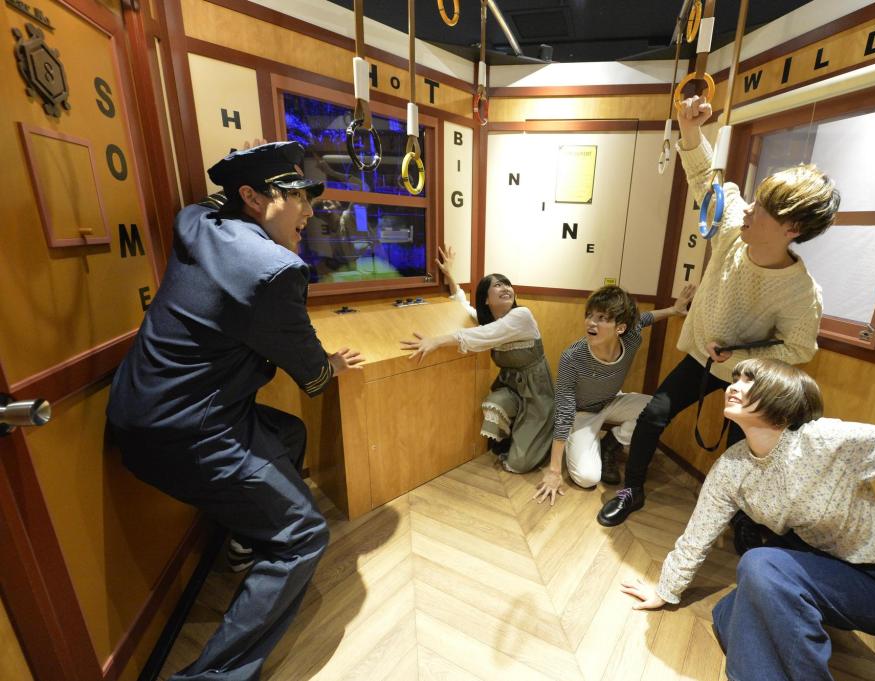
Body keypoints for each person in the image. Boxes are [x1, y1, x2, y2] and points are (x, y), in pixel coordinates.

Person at [106, 141, 364, 681]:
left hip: (140, 406)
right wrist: (331, 367)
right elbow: (312, 374)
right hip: (186, 431)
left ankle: (247, 540)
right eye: (296, 196)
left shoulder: (198, 221)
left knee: (287, 434)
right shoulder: (273, 271)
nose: (310, 211)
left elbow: (205, 201)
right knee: (303, 537)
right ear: (251, 197)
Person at [620, 353, 875, 681]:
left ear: (782, 398)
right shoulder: (732, 466)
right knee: (729, 613)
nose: (733, 386)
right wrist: (667, 590)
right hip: (818, 575)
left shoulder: (826, 442)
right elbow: (700, 530)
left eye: (748, 381)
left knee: (759, 565)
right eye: (735, 379)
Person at [598, 94, 841, 527]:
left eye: (763, 209)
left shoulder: (803, 293)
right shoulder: (733, 231)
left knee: (741, 447)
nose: (749, 209)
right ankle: (632, 490)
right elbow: (705, 183)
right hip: (700, 356)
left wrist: (742, 359)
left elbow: (799, 350)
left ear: (792, 229)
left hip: (747, 375)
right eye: (755, 200)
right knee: (654, 414)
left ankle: (732, 520)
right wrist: (690, 129)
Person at [533, 283, 696, 506]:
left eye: (601, 318)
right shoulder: (572, 357)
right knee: (588, 478)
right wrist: (553, 470)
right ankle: (584, 442)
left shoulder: (631, 339)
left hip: (612, 400)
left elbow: (644, 318)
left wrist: (673, 311)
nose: (591, 322)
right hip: (581, 414)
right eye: (589, 315)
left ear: (620, 328)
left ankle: (612, 442)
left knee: (656, 408)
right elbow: (564, 411)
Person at [401, 245, 554, 473]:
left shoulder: (522, 316)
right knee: (493, 403)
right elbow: (462, 304)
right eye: (498, 285)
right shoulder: (489, 322)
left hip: (537, 391)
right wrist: (450, 275)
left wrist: (437, 341)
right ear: (485, 300)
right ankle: (516, 433)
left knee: (518, 464)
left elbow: (483, 335)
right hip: (511, 387)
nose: (505, 288)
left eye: (507, 283)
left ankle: (546, 431)